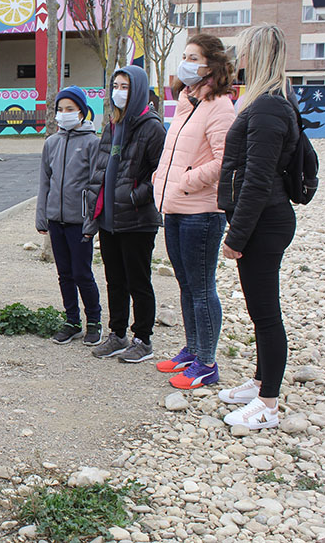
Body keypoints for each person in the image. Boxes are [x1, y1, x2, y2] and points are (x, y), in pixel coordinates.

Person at [217, 24, 299, 430]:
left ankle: (268, 404)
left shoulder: (268, 108)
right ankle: (260, 380)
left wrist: (236, 236)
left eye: (244, 52)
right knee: (257, 310)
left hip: (264, 223)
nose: (239, 60)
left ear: (258, 55)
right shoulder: (269, 102)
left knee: (266, 314)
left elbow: (258, 179)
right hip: (262, 221)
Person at [152, 34, 236, 389]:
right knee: (186, 286)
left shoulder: (219, 107)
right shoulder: (188, 103)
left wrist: (186, 180)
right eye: (183, 56)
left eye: (192, 57)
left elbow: (223, 160)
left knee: (202, 289)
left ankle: (207, 362)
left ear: (210, 65)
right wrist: (163, 179)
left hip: (201, 211)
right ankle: (192, 348)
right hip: (175, 207)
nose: (184, 62)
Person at [88, 65, 166, 363]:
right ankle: (117, 333)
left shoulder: (152, 127)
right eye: (116, 86)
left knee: (138, 281)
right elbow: (101, 168)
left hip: (137, 220)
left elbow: (160, 173)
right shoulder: (112, 124)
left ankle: (143, 339)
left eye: (126, 87)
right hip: (110, 220)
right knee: (114, 280)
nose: (119, 92)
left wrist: (135, 196)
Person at [36, 85, 102, 344]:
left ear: (82, 112)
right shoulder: (51, 143)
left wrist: (90, 222)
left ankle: (94, 321)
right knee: (64, 273)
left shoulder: (92, 143)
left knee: (82, 272)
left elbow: (95, 185)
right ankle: (72, 320)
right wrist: (42, 215)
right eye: (60, 110)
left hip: (79, 222)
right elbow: (44, 182)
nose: (64, 114)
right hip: (56, 220)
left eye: (70, 109)